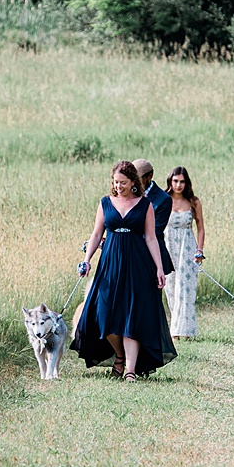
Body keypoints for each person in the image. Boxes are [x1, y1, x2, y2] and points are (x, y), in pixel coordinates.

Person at [71, 161, 177, 381]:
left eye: (123, 182)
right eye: (115, 182)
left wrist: (158, 267)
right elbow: (96, 234)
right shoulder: (105, 203)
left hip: (138, 263)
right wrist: (86, 260)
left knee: (132, 315)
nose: (118, 186)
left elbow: (151, 237)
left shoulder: (145, 204)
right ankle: (119, 356)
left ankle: (130, 369)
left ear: (133, 183)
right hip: (110, 262)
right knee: (103, 313)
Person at [164, 166, 206, 339]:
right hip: (168, 246)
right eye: (175, 181)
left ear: (186, 183)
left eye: (182, 181)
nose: (178, 185)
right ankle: (175, 330)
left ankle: (186, 330)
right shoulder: (164, 200)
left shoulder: (193, 201)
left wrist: (199, 250)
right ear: (170, 182)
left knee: (186, 288)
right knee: (171, 287)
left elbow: (201, 228)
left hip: (187, 247)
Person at [133, 158, 175, 276]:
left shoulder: (163, 199)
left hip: (151, 255)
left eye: (138, 179)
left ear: (149, 176)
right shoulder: (130, 193)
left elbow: (155, 231)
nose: (134, 182)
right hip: (130, 252)